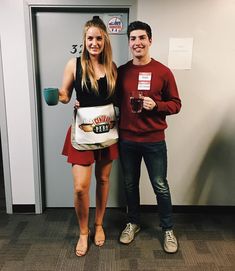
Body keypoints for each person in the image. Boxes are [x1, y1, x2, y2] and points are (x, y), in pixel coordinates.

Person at [117, 21, 181, 253]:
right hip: (126, 140)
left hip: (154, 140)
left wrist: (157, 105)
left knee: (160, 186)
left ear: (150, 41)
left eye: (142, 38)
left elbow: (176, 104)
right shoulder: (122, 71)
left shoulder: (163, 71)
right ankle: (132, 223)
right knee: (130, 184)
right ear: (129, 43)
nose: (137, 43)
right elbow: (111, 100)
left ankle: (168, 229)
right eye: (133, 38)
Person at [59, 16, 118, 257]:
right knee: (81, 188)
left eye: (98, 38)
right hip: (82, 134)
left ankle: (99, 225)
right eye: (90, 38)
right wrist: (62, 96)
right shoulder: (74, 64)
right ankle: (83, 232)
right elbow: (65, 93)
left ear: (105, 40)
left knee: (103, 181)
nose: (94, 42)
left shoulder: (112, 67)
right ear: (84, 40)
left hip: (105, 131)